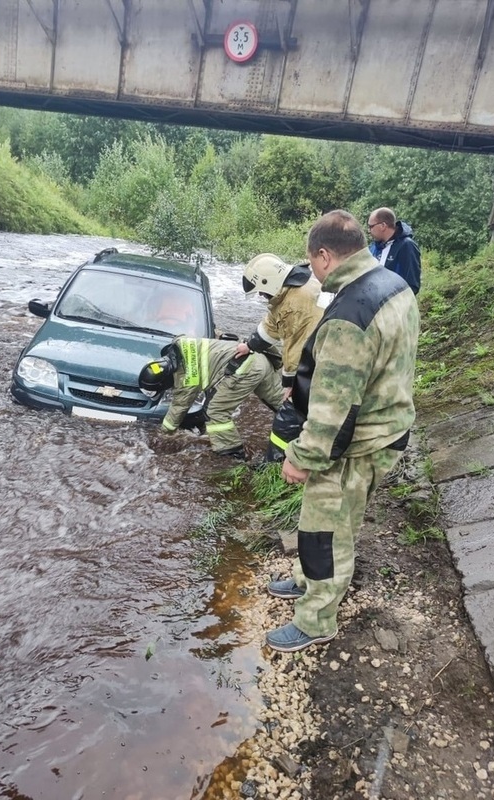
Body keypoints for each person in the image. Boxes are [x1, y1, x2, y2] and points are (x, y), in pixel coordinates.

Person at [264, 210, 419, 653]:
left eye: (312, 261)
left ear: (326, 256)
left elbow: (333, 412)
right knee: (340, 520)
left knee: (324, 532)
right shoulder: (393, 284)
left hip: (358, 443)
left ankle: (316, 620)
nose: (311, 269)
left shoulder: (349, 315)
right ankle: (304, 581)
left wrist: (301, 457)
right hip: (388, 426)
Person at [235, 253, 328, 462]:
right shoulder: (290, 291)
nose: (261, 296)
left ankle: (276, 467)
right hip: (322, 359)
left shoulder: (295, 304)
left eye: (261, 291)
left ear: (270, 282)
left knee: (286, 422)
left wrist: (291, 384)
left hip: (319, 365)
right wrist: (249, 345)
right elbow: (271, 324)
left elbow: (295, 350)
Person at [139, 336, 284, 460]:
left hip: (243, 369)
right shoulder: (180, 343)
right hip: (259, 359)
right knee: (283, 404)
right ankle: (303, 427)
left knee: (215, 412)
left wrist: (163, 433)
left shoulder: (187, 378)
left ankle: (232, 454)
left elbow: (179, 407)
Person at [367, 207, 421, 295]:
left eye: (371, 226)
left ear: (383, 226)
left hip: (396, 305)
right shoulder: (374, 247)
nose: (369, 231)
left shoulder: (406, 246)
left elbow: (412, 285)